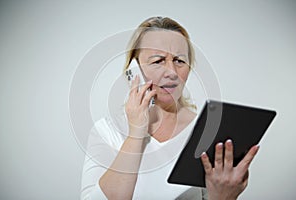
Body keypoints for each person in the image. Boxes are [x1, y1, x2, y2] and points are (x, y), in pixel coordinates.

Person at [80, 16, 259, 200]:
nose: (172, 72)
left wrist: (224, 197)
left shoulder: (206, 132)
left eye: (179, 61)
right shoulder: (107, 131)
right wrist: (136, 133)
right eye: (158, 61)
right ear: (134, 69)